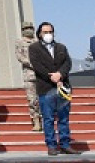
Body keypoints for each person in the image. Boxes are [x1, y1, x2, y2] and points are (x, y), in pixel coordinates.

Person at [28, 21, 80, 156]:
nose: (48, 34)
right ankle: (51, 145)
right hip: (46, 87)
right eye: (45, 32)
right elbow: (37, 65)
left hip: (62, 87)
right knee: (48, 118)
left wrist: (60, 75)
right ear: (39, 34)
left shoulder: (61, 47)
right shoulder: (34, 48)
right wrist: (51, 77)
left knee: (64, 118)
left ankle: (65, 144)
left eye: (50, 32)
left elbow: (67, 63)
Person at [14, 20, 42, 132]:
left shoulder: (38, 41)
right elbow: (19, 56)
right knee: (32, 99)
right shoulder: (19, 42)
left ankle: (44, 119)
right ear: (22, 30)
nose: (29, 30)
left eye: (30, 28)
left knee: (42, 98)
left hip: (41, 74)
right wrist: (31, 63)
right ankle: (36, 121)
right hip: (29, 74)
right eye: (26, 28)